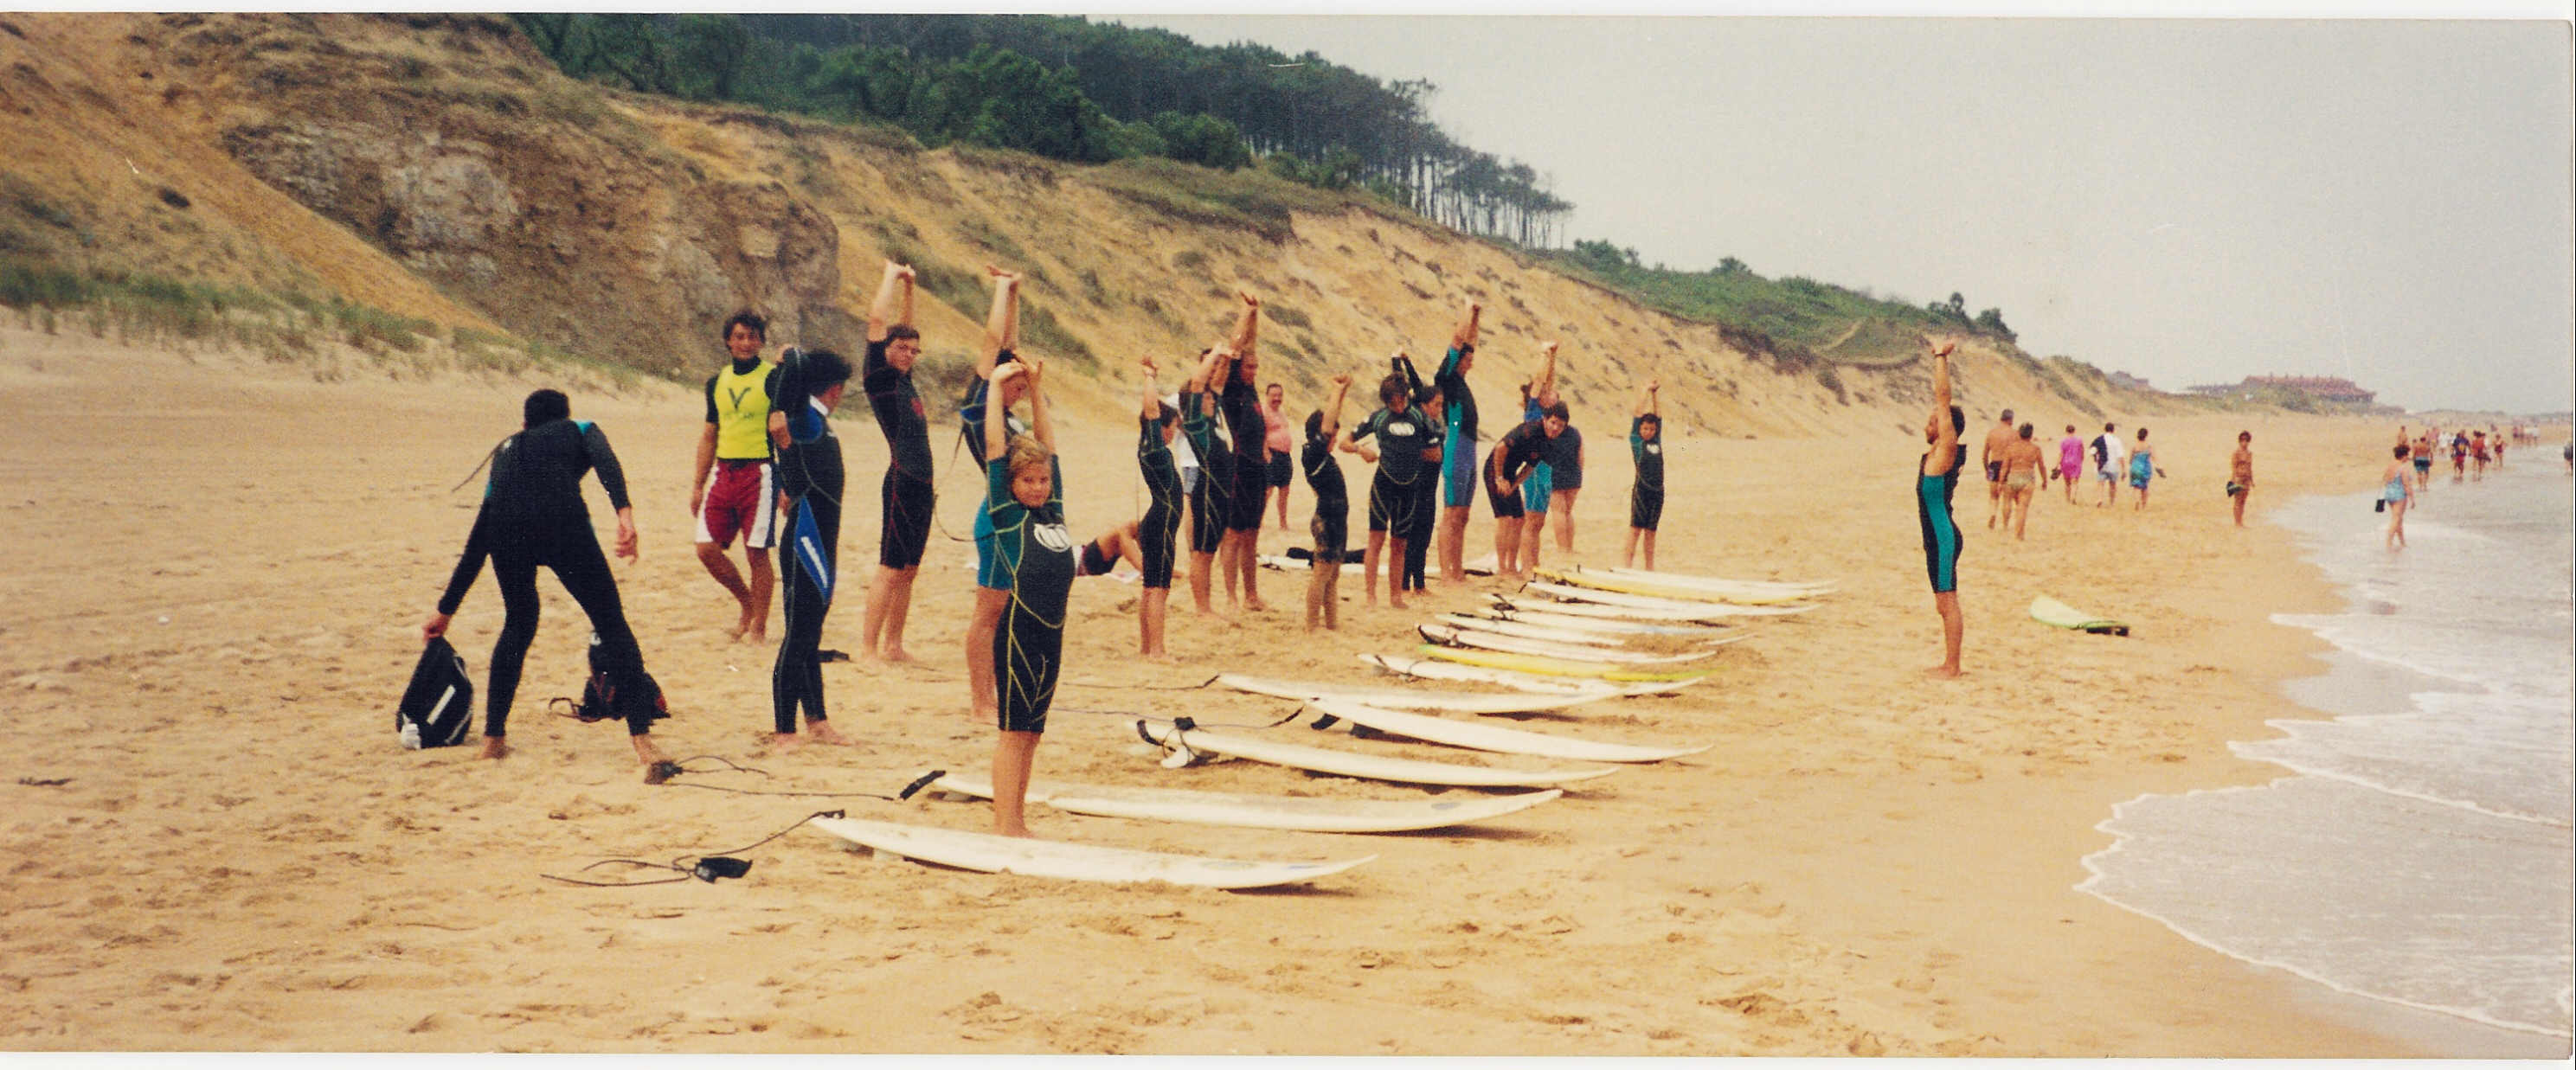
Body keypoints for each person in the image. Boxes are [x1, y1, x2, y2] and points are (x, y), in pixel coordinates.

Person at [423, 389, 674, 779]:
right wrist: (624, 515)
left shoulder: (506, 449)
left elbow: (480, 535)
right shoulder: (580, 429)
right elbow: (607, 463)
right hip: (563, 525)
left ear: (525, 425)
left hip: (507, 531)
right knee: (611, 624)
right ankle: (641, 740)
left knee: (519, 624)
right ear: (565, 418)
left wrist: (446, 609)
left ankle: (493, 741)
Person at [980, 359, 1074, 838]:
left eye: (1042, 480)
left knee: (1034, 733)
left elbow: (1049, 447)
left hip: (1051, 636)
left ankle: (1018, 820)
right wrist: (996, 388)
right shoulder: (1007, 513)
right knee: (1014, 733)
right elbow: (997, 448)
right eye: (1028, 481)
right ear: (1012, 485)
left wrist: (1036, 387)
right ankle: (1005, 825)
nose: (1037, 487)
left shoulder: (1051, 510)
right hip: (1019, 632)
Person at [960, 267, 1044, 727]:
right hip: (995, 522)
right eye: (1011, 380)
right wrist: (998, 290)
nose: (1019, 385)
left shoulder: (1008, 414)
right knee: (988, 612)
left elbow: (1006, 345)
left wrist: (1014, 292)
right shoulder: (981, 410)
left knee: (1007, 612)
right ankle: (979, 699)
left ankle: (994, 691)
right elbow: (993, 343)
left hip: (1017, 519)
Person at [765, 346, 858, 752]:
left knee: (810, 633)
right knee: (799, 635)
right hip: (806, 538)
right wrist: (793, 357)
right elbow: (781, 388)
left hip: (821, 539)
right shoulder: (804, 419)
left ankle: (817, 721)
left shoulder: (815, 422)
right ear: (836, 390)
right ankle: (785, 729)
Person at [858, 261, 932, 664]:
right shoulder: (880, 378)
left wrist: (910, 289)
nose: (908, 354)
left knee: (909, 569)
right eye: (900, 348)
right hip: (902, 480)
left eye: (914, 351)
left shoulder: (905, 378)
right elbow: (878, 321)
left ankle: (894, 644)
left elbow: (905, 330)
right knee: (890, 566)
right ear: (885, 350)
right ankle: (869, 648)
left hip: (922, 483)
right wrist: (889, 274)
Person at [689, 311, 778, 643]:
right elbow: (709, 434)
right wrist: (698, 485)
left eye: (752, 336)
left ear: (761, 341)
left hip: (761, 472)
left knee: (757, 553)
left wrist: (789, 484)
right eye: (739, 336)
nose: (746, 343)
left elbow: (784, 430)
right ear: (728, 341)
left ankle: (759, 626)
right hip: (723, 472)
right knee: (706, 549)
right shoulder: (717, 382)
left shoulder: (773, 377)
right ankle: (747, 603)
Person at [1341, 362, 1434, 609]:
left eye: (1400, 401)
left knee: (1399, 543)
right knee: (1376, 540)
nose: (1397, 406)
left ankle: (1396, 596)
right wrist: (1362, 450)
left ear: (1406, 396)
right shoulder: (1378, 417)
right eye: (1392, 402)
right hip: (1384, 484)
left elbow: (1435, 453)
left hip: (1409, 485)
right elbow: (1344, 442)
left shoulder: (1419, 417)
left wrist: (1416, 453)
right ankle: (1371, 596)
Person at [1916, 338, 1966, 679]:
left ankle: (1953, 666)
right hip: (1937, 537)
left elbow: (1942, 399)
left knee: (1947, 601)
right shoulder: (1934, 456)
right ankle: (1949, 661)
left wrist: (1939, 357)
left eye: (1933, 421)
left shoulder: (1944, 451)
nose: (1927, 424)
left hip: (1944, 538)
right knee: (1941, 602)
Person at [1214, 293, 1268, 612]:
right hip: (1237, 468)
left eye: (1256, 367)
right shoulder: (1234, 385)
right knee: (1233, 535)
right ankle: (1232, 597)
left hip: (1257, 468)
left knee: (1252, 536)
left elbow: (1251, 345)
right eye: (1249, 368)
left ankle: (1251, 594)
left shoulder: (1251, 388)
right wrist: (1245, 313)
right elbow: (1237, 347)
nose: (1253, 371)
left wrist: (1257, 315)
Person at [1133, 356, 1184, 658]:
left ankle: (1146, 647)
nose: (1175, 432)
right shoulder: (1153, 446)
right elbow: (1151, 410)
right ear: (1161, 428)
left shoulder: (1151, 448)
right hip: (1161, 522)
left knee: (1151, 587)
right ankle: (1157, 650)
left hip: (1157, 521)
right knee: (1159, 589)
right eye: (1173, 427)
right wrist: (1150, 376)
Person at [1179, 346, 1237, 616]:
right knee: (1201, 554)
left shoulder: (1212, 420)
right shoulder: (1195, 423)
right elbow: (1199, 382)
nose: (1212, 400)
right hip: (1207, 495)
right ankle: (1202, 608)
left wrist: (1226, 356)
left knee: (1210, 553)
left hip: (1222, 494)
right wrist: (1215, 351)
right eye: (1207, 398)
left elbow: (1217, 382)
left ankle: (1208, 605)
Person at [1486, 399, 1566, 582]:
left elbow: (1529, 468)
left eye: (1560, 426)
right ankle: (1502, 568)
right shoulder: (1529, 430)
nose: (1555, 428)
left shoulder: (1548, 443)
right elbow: (1500, 448)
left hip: (1510, 473)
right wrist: (1499, 479)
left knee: (1519, 519)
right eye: (1553, 423)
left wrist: (1514, 485)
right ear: (1545, 419)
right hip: (1494, 468)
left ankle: (1513, 566)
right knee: (1505, 519)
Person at [1432, 302, 1483, 583]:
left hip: (1470, 449)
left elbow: (1470, 342)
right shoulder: (1447, 378)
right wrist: (1467, 310)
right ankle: (1445, 572)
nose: (1470, 362)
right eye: (1467, 359)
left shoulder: (1462, 381)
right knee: (1451, 513)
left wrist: (1476, 316)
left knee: (1463, 514)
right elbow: (1458, 341)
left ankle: (1458, 568)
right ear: (1457, 361)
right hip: (1456, 448)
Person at [1304, 374, 1357, 630]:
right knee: (1321, 573)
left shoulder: (1323, 455)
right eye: (1331, 436)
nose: (1334, 440)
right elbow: (1327, 426)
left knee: (1333, 575)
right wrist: (1336, 391)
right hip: (1326, 520)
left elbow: (1329, 425)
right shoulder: (1312, 454)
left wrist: (1344, 391)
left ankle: (1332, 625)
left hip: (1338, 520)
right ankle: (1312, 625)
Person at [1393, 353, 1445, 593]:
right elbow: (1406, 388)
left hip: (1429, 489)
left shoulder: (1432, 423)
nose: (1439, 409)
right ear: (1423, 405)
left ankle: (1420, 584)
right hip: (1413, 488)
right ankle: (1405, 584)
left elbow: (1419, 387)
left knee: (1424, 538)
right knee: (1412, 538)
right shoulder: (1415, 420)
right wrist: (1397, 362)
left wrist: (1408, 360)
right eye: (1436, 405)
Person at [1517, 343, 1563, 573]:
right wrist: (1543, 354)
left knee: (1539, 521)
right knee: (1531, 520)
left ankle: (1534, 565)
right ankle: (1527, 567)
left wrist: (1553, 356)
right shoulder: (1534, 411)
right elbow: (1539, 380)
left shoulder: (1547, 414)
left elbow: (1549, 380)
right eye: (1547, 392)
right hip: (1534, 471)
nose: (1553, 392)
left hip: (1545, 469)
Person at [1623, 380, 1666, 569]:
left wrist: (1656, 395)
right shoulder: (1636, 441)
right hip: (1642, 490)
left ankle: (1650, 567)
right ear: (1640, 430)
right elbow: (1637, 415)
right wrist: (1645, 390)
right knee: (1635, 529)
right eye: (1645, 428)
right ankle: (1627, 566)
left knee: (1651, 531)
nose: (1648, 431)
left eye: (1651, 429)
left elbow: (1659, 416)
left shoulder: (1656, 440)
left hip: (1658, 492)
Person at [1547, 401, 1585, 554]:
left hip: (1555, 475)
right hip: (1574, 475)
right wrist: (1578, 474)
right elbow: (1581, 457)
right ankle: (1569, 547)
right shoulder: (1575, 433)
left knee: (1558, 512)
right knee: (1568, 512)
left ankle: (1562, 548)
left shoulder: (1550, 432)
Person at [2000, 422, 2043, 540]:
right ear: (2031, 434)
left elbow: (2005, 467)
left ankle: (2005, 525)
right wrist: (2044, 481)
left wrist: (2000, 481)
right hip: (2027, 477)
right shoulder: (2035, 449)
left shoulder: (2011, 448)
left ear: (2019, 433)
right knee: (2022, 507)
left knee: (2007, 501)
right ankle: (2019, 535)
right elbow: (2041, 466)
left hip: (2013, 476)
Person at [1261, 381, 1295, 530]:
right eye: (1274, 395)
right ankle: (1257, 521)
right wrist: (1266, 454)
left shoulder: (1281, 412)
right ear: (1267, 396)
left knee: (1284, 490)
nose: (1277, 398)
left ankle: (1283, 523)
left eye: (1279, 395)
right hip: (1271, 455)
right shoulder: (1264, 412)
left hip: (1285, 456)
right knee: (1267, 491)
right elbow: (1260, 434)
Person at [1980, 409, 2019, 529]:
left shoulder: (1991, 433)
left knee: (1993, 496)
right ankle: (2005, 525)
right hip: (2008, 466)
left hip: (1993, 465)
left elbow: (1985, 455)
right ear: (2010, 419)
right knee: (2007, 498)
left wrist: (1987, 469)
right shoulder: (2014, 434)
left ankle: (1992, 515)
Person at [2382, 444, 2413, 550]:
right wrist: (2412, 499)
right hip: (2399, 494)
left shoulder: (2390, 465)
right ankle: (2388, 543)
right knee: (2396, 519)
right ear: (2403, 456)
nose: (2408, 458)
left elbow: (2385, 480)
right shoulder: (2403, 468)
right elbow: (2406, 484)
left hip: (2389, 493)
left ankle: (2402, 542)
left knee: (2399, 519)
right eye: (2407, 455)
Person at [2092, 422, 2127, 508]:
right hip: (2114, 466)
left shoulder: (2100, 439)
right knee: (2113, 485)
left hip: (2102, 464)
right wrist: (2124, 469)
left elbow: (2092, 450)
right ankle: (2111, 503)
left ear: (2105, 429)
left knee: (2100, 483)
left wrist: (2096, 459)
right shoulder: (2117, 440)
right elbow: (2120, 456)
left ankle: (2099, 498)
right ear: (2113, 430)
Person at [2128, 426, 2161, 510]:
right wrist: (2159, 467)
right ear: (2146, 436)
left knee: (2136, 487)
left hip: (2135, 467)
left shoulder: (2134, 446)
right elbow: (2154, 457)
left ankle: (2136, 500)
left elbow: (2130, 459)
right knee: (2144, 487)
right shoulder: (2149, 446)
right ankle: (2143, 506)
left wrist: (2131, 465)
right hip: (2145, 468)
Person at [2227, 431, 2255, 527]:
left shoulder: (2249, 453)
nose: (2245, 442)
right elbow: (2234, 467)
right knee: (2237, 501)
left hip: (2246, 479)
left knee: (2243, 501)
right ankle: (2237, 522)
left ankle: (2240, 521)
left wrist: (2252, 480)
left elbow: (2250, 467)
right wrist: (2233, 480)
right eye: (2243, 440)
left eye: (2247, 440)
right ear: (2239, 441)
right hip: (2238, 478)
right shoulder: (2236, 453)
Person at [2057, 425, 2085, 503]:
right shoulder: (2079, 440)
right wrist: (2081, 459)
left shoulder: (2063, 441)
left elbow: (2061, 454)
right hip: (2076, 462)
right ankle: (2073, 498)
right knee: (2075, 482)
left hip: (2065, 463)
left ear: (2066, 431)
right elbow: (2082, 451)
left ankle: (2067, 499)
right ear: (2074, 431)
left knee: (2067, 483)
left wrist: (2057, 464)